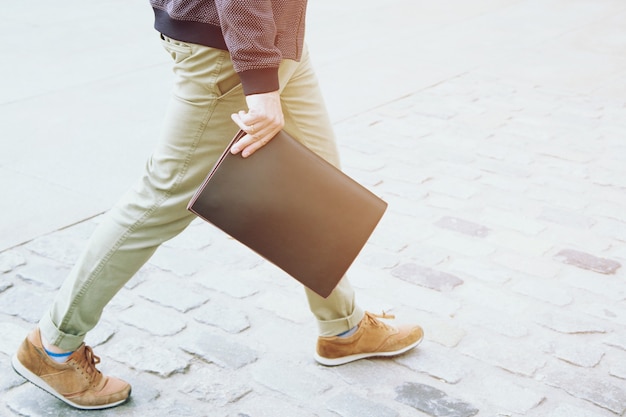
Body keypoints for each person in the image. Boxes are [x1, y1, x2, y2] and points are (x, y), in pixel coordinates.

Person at [11, 0, 424, 410]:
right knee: (161, 199)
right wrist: (260, 81)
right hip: (233, 48)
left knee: (322, 186)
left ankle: (342, 327)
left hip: (277, 35)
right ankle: (53, 347)